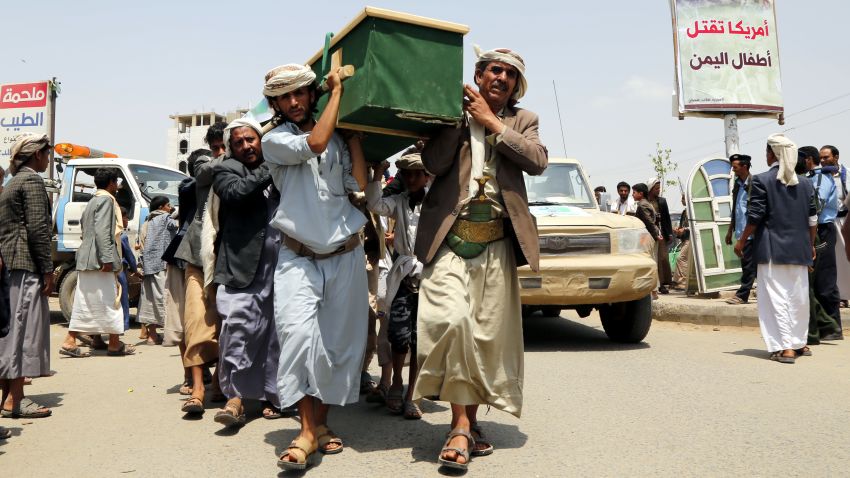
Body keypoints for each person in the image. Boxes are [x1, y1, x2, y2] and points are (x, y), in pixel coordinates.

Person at [414, 46, 547, 471]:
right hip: (449, 240)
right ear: (479, 74)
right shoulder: (448, 112)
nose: (502, 78)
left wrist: (490, 123)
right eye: (495, 70)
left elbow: (537, 160)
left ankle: (465, 427)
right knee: (451, 322)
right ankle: (459, 426)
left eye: (510, 75)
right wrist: (460, 118)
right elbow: (433, 162)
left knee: (484, 337)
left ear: (515, 87)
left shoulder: (523, 121)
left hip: (496, 245)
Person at [261, 63, 368, 470]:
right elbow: (316, 143)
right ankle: (307, 433)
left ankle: (317, 426)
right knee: (298, 339)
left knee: (336, 348)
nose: (293, 102)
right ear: (275, 104)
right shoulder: (275, 141)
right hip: (297, 258)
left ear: (311, 96)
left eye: (300, 93)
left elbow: (356, 184)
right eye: (284, 97)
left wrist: (355, 139)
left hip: (345, 255)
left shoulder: (337, 139)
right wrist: (339, 93)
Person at [209, 118, 282, 423]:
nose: (246, 146)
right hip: (241, 267)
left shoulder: (284, 170)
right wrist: (271, 166)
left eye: (251, 139)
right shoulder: (225, 170)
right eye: (238, 142)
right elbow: (238, 192)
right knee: (237, 328)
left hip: (282, 266)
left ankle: (273, 396)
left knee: (277, 334)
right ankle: (234, 398)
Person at [734, 134, 817, 364]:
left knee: (776, 299)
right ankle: (800, 343)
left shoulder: (761, 180)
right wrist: (810, 246)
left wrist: (742, 241)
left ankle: (785, 347)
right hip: (800, 250)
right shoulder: (806, 183)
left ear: (771, 154)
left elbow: (755, 216)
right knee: (798, 297)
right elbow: (812, 219)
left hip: (772, 250)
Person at [367, 152, 430, 419]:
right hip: (403, 277)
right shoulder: (398, 202)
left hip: (429, 278)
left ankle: (413, 393)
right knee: (399, 335)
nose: (413, 178)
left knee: (420, 339)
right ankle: (395, 383)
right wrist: (377, 174)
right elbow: (374, 203)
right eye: (408, 174)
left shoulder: (436, 203)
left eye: (418, 173)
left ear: (427, 177)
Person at [0, 133, 55, 418]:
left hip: (12, 264)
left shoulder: (12, 183)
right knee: (23, 334)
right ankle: (16, 400)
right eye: (47, 153)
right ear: (37, 154)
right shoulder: (31, 180)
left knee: (11, 333)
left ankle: (8, 397)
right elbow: (38, 229)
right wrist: (47, 269)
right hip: (25, 266)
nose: (49, 158)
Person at [62, 168, 135, 356]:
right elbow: (103, 232)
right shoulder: (106, 201)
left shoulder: (92, 201)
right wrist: (108, 259)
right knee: (112, 300)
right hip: (100, 261)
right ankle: (113, 343)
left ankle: (75, 340)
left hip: (87, 259)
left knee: (86, 301)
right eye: (116, 182)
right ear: (111, 183)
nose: (118, 186)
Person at [174, 147, 225, 410]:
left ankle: (219, 382)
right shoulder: (207, 168)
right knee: (195, 321)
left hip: (229, 259)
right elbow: (203, 169)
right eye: (217, 146)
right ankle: (197, 389)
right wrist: (225, 157)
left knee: (226, 324)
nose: (221, 150)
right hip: (197, 257)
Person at [803, 146, 842, 340]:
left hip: (822, 230)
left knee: (825, 279)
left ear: (809, 160)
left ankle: (833, 327)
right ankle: (822, 327)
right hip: (816, 229)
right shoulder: (811, 177)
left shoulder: (820, 178)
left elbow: (816, 205)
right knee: (815, 281)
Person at [137, 196, 177, 345]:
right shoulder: (166, 218)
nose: (170, 207)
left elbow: (141, 242)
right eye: (168, 205)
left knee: (149, 299)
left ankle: (152, 336)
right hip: (162, 265)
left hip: (148, 266)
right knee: (165, 299)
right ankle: (168, 335)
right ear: (161, 207)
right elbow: (177, 226)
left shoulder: (147, 221)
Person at [725, 154, 756, 305]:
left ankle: (742, 295)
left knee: (749, 265)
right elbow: (735, 209)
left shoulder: (755, 184)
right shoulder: (737, 184)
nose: (733, 170)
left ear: (744, 167)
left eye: (735, 167)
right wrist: (730, 230)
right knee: (746, 265)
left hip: (751, 233)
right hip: (739, 231)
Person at [821, 145, 849, 308]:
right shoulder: (820, 177)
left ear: (836, 157)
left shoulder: (847, 174)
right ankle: (841, 296)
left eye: (826, 157)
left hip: (847, 220)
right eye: (821, 158)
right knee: (836, 260)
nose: (823, 161)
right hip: (831, 222)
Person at [647, 177, 673, 294]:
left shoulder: (662, 201)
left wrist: (669, 234)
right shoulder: (644, 202)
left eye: (659, 188)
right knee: (650, 258)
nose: (658, 190)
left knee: (662, 258)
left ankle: (663, 284)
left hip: (660, 232)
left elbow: (667, 219)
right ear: (651, 188)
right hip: (647, 234)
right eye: (656, 188)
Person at [117, 207, 138, 331]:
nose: (127, 221)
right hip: (120, 270)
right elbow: (130, 256)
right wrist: (135, 270)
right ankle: (123, 325)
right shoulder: (122, 236)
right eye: (126, 218)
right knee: (123, 298)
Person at [672, 194, 690, 291]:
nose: (681, 200)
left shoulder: (692, 211)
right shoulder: (685, 212)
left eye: (683, 198)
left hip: (691, 239)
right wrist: (678, 230)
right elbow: (681, 226)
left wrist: (684, 229)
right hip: (685, 238)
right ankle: (676, 281)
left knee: (681, 258)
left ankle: (683, 282)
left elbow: (694, 225)